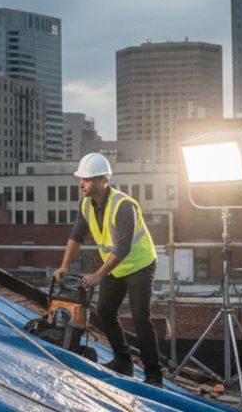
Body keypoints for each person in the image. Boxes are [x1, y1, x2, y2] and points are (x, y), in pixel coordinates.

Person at [54, 152, 162, 386]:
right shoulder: (86, 205)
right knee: (104, 310)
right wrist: (64, 265)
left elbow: (122, 248)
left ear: (103, 181)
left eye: (87, 179)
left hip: (139, 265)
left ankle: (154, 376)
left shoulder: (123, 206)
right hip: (114, 267)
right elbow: (77, 236)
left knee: (140, 318)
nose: (81, 184)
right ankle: (123, 361)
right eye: (81, 179)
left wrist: (98, 275)